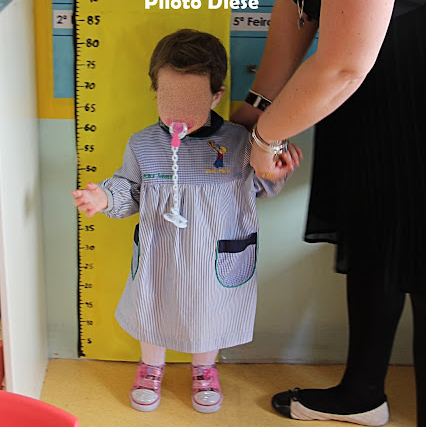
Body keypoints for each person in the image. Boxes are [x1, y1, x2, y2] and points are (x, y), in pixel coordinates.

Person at [168, 0, 426, 426]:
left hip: (393, 66)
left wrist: (265, 141)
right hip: (367, 73)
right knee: (375, 231)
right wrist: (259, 107)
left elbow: (340, 64)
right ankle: (363, 394)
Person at [72, 29, 301, 414]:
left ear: (215, 96)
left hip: (216, 255)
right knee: (152, 306)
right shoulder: (143, 144)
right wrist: (103, 197)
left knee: (209, 309)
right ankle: (150, 367)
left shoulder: (240, 142)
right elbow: (129, 189)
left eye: (190, 98)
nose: (178, 109)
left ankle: (204, 369)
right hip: (160, 252)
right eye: (168, 97)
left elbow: (259, 188)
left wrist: (275, 173)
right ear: (155, 92)